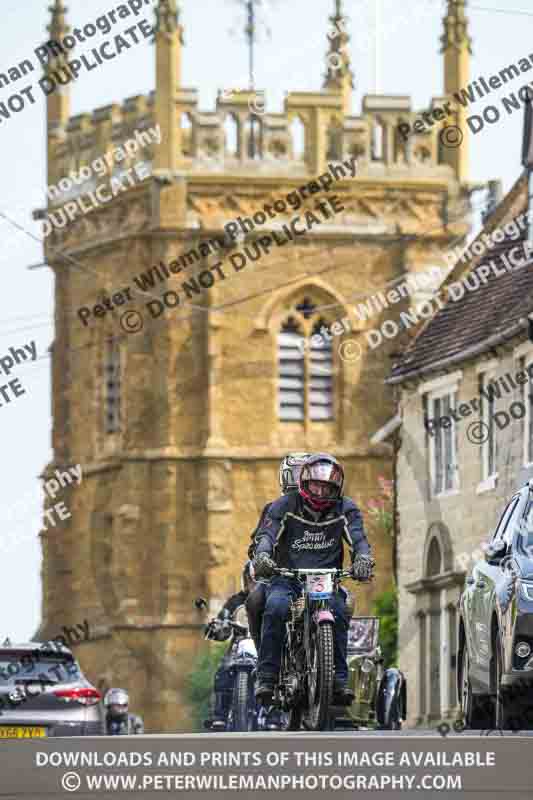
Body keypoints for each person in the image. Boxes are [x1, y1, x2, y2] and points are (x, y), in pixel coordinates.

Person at [252, 453, 374, 726]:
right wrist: (262, 557)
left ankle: (339, 680)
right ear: (304, 483)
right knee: (275, 608)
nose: (321, 491)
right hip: (288, 578)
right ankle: (267, 677)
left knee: (341, 610)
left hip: (326, 579)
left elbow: (358, 539)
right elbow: (267, 536)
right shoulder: (284, 505)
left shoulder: (347, 508)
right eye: (315, 485)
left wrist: (363, 559)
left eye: (327, 487)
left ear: (336, 488)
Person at [245, 453, 311, 650]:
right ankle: (264, 660)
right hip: (282, 576)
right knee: (255, 602)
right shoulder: (273, 508)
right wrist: (262, 557)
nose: (301, 479)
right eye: (296, 473)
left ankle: (334, 669)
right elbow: (258, 541)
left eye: (305, 474)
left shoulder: (328, 508)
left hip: (317, 579)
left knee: (343, 604)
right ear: (285, 477)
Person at [206, 565, 255, 731]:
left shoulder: (272, 597)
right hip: (240, 645)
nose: (253, 583)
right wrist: (217, 627)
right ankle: (219, 715)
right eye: (250, 580)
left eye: (255, 579)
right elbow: (224, 619)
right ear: (246, 579)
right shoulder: (236, 601)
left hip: (266, 644)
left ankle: (276, 714)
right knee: (223, 669)